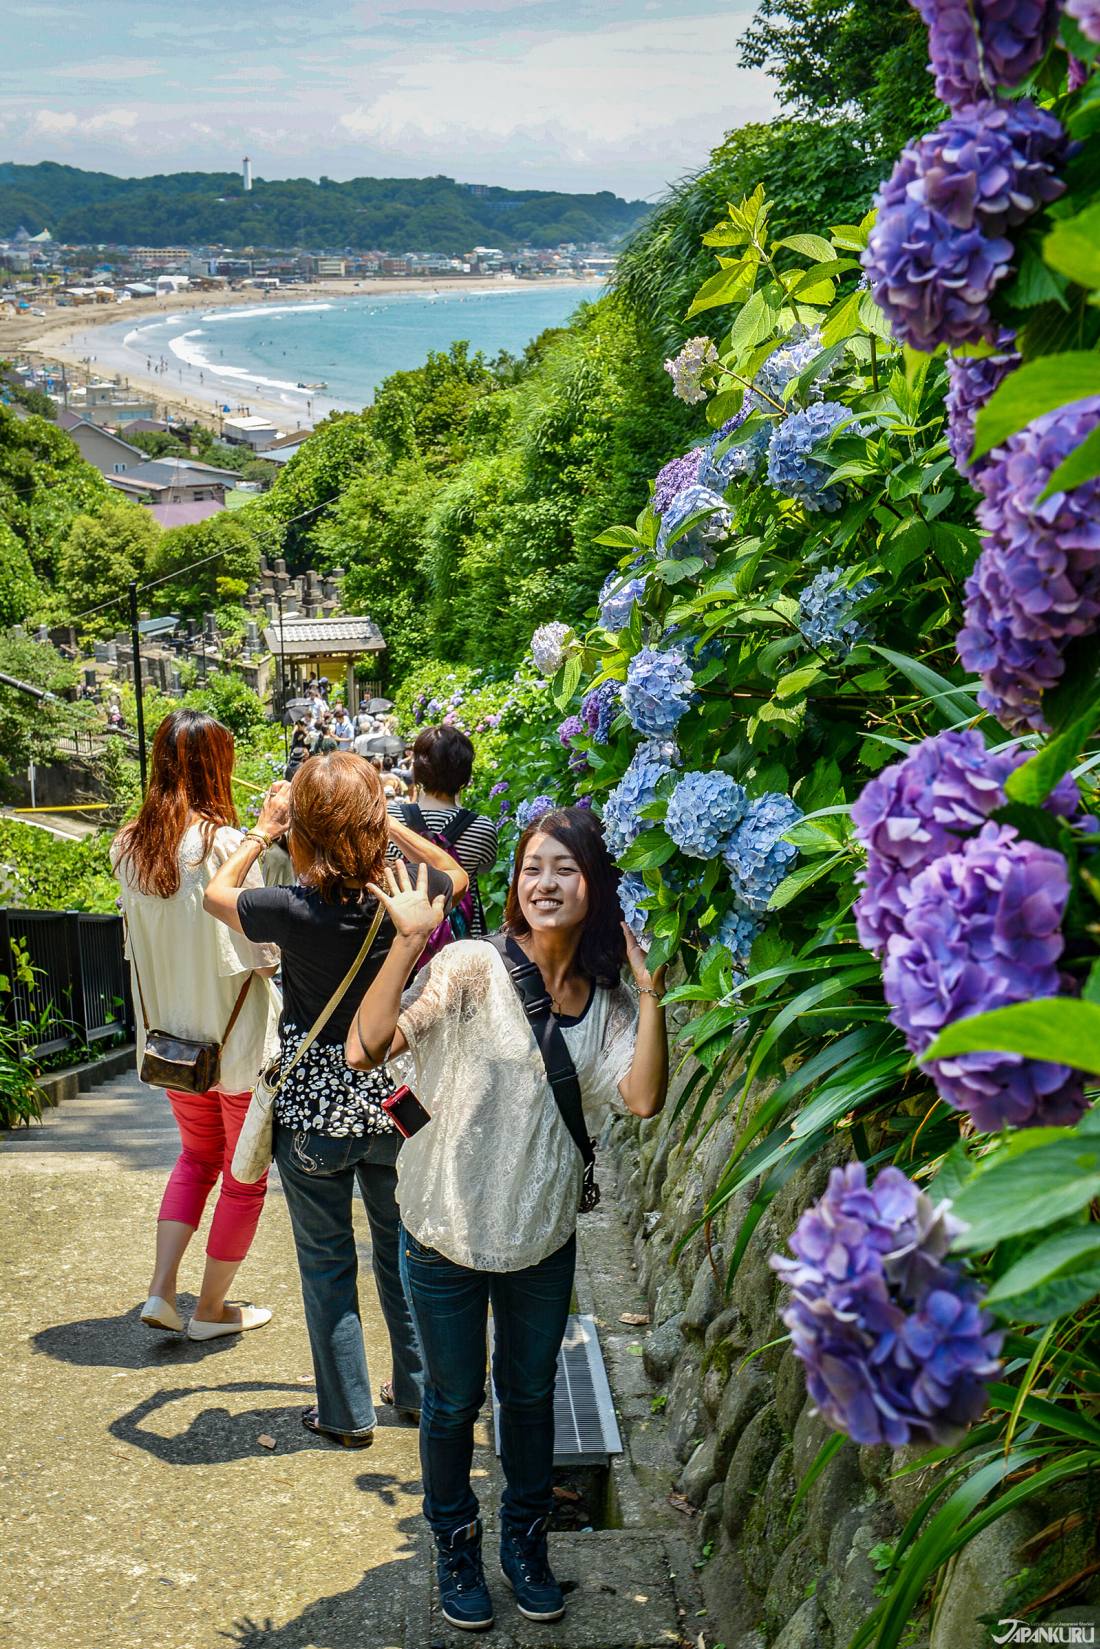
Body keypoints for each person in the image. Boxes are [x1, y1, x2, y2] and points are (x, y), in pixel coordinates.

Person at [346, 807, 669, 1629]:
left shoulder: (606, 1004)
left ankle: (525, 1546)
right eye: (533, 867)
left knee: (527, 1399)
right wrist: (404, 944)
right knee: (454, 1402)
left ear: (593, 884)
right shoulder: (468, 966)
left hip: (540, 1237)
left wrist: (653, 991)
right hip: (444, 1227)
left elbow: (641, 1096)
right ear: (517, 884)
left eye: (565, 867)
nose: (546, 881)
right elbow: (368, 1047)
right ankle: (456, 1545)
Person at [202, 753, 470, 1447]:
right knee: (402, 1251)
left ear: (307, 828)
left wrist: (263, 831)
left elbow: (216, 893)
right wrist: (390, 825)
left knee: (327, 1264)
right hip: (391, 1099)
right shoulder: (407, 899)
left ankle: (347, 1412)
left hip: (316, 1110)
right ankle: (415, 1391)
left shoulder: (289, 907)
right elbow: (459, 872)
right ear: (372, 821)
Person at [112, 709, 282, 1342]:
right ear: (219, 766)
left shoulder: (127, 847)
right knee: (243, 1174)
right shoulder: (226, 847)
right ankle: (211, 1309)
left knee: (195, 1156)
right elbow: (264, 954)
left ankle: (161, 1291)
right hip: (236, 1044)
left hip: (175, 1047)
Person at [388, 726, 499, 938]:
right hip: (462, 941)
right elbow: (485, 868)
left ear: (417, 771)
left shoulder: (390, 822)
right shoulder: (482, 828)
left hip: (403, 939)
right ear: (465, 777)